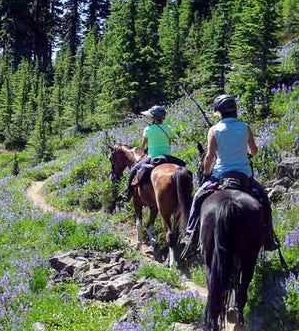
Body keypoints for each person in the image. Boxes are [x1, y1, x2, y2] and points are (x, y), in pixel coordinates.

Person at [182, 94, 278, 258]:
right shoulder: (245, 127)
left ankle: (190, 234)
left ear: (219, 112)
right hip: (244, 175)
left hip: (221, 175)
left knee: (198, 197)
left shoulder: (214, 130)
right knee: (263, 199)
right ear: (234, 110)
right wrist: (246, 153)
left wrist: (206, 173)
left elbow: (209, 157)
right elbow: (254, 151)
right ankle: (269, 237)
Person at [117, 105, 172, 202]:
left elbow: (142, 147)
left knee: (133, 170)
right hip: (168, 157)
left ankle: (127, 194)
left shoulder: (148, 129)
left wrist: (137, 150)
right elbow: (167, 143)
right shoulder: (168, 128)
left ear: (153, 118)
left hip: (153, 157)